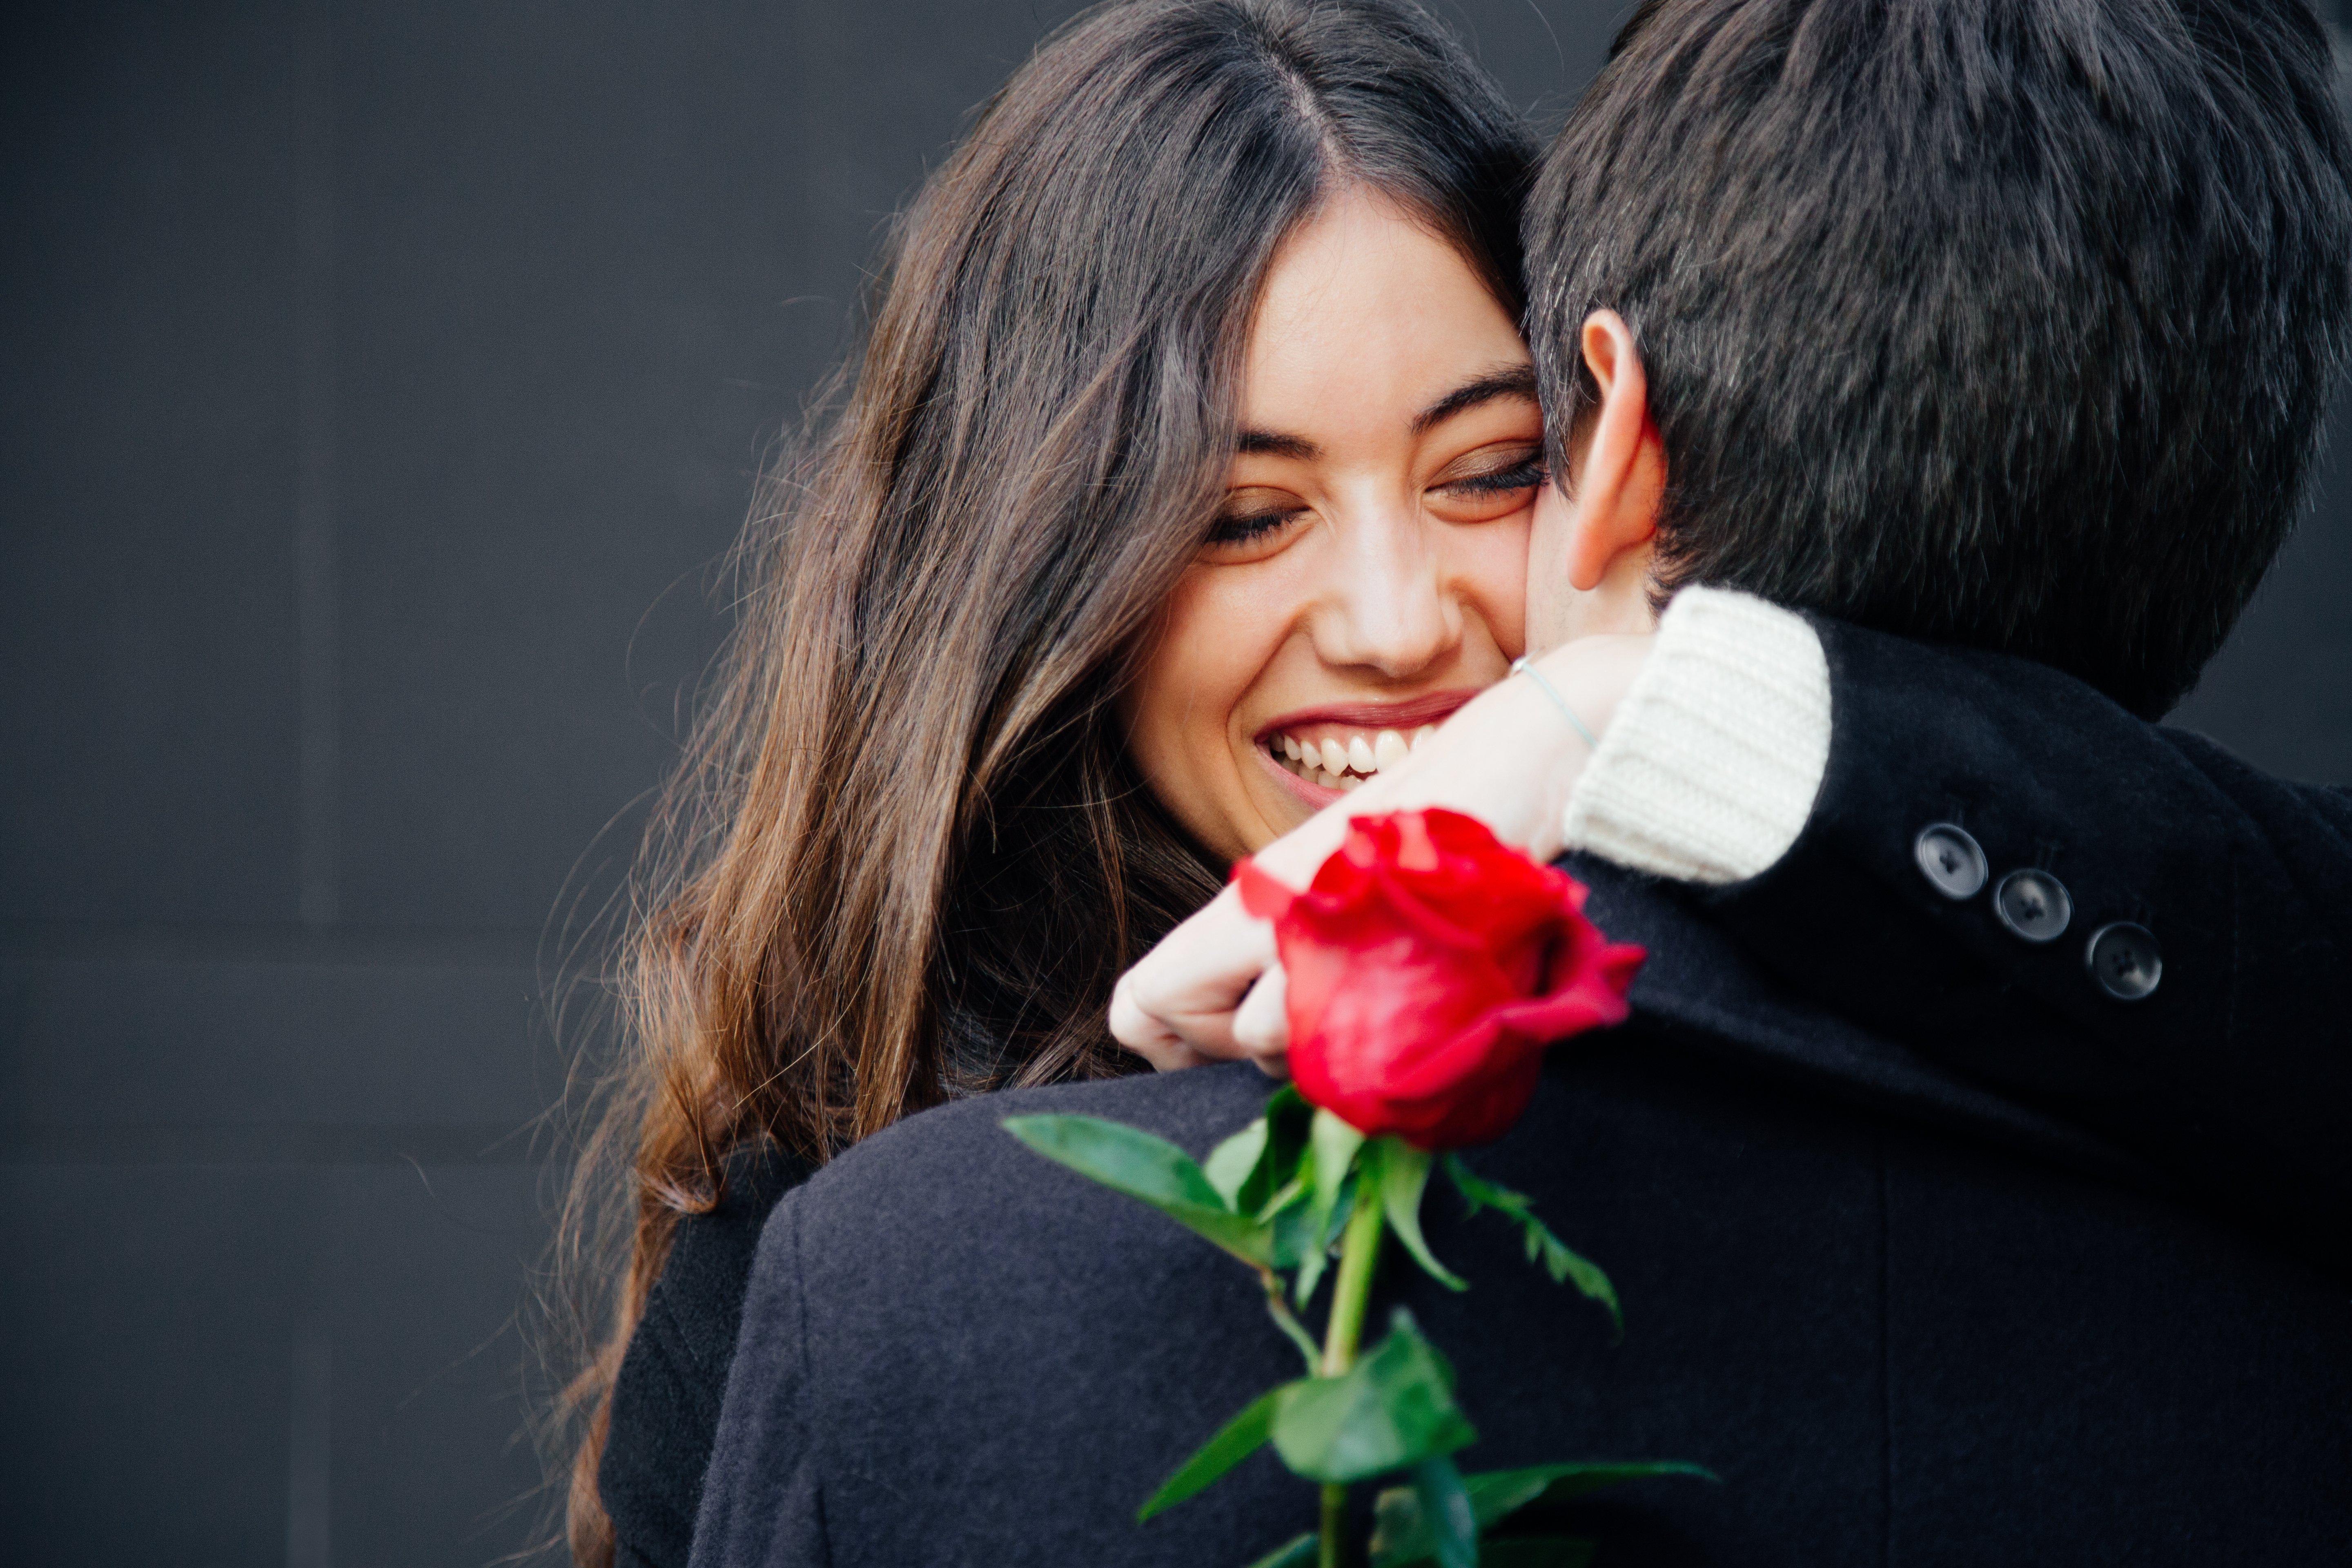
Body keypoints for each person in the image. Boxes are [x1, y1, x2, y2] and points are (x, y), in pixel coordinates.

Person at [684, 0, 2352, 1563]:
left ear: (1600, 436)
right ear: (1043, 575)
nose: (1403, 627)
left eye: (1489, 473)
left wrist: (1652, 702)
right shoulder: (836, 1249)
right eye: (1246, 515)